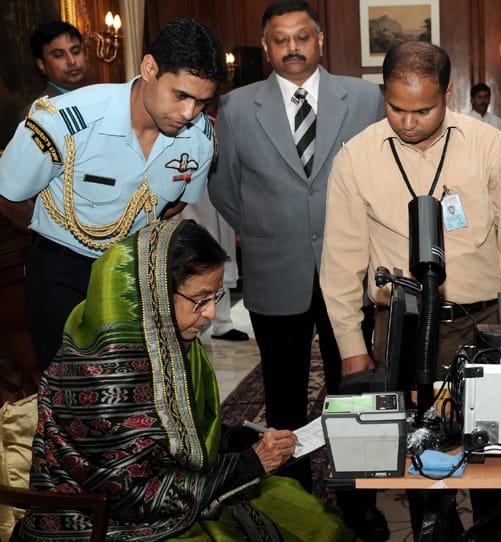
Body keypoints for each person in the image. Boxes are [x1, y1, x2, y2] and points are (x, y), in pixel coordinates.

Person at [320, 40, 501, 541]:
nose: (408, 122)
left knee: (496, 461)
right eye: (396, 108)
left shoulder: (488, 146)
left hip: (483, 325)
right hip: (399, 331)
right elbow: (340, 266)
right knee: (421, 462)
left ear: (449, 93)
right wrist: (353, 350)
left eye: (423, 110)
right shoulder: (356, 158)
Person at [10, 219, 349, 542]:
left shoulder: (167, 344)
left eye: (214, 297)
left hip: (178, 499)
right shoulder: (102, 373)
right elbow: (135, 493)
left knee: (309, 515)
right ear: (152, 292)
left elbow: (186, 429)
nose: (211, 314)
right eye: (200, 299)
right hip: (108, 524)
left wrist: (246, 438)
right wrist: (249, 463)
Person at [208, 1, 387, 538]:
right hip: (274, 269)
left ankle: (359, 501)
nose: (292, 47)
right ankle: (293, 500)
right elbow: (223, 186)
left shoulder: (362, 97)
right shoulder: (237, 107)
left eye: (302, 37)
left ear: (320, 40)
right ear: (266, 47)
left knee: (355, 389)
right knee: (283, 396)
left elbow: (382, 172)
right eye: (280, 39)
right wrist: (268, 227)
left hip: (349, 272)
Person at [0, 17, 227, 373]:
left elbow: (175, 202)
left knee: (137, 387)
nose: (189, 113)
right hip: (62, 272)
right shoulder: (64, 121)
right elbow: (8, 193)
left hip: (131, 271)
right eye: (181, 95)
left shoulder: (200, 139)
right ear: (149, 67)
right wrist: (48, 232)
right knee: (69, 391)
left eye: (201, 102)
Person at [1, 21, 89, 233]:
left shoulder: (103, 99)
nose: (71, 61)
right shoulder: (39, 113)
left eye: (75, 51)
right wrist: (44, 232)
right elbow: (13, 193)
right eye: (58, 55)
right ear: (41, 65)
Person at [180, 189, 249, 341]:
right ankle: (191, 327)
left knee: (221, 261)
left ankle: (223, 324)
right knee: (195, 260)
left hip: (218, 197)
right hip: (192, 197)